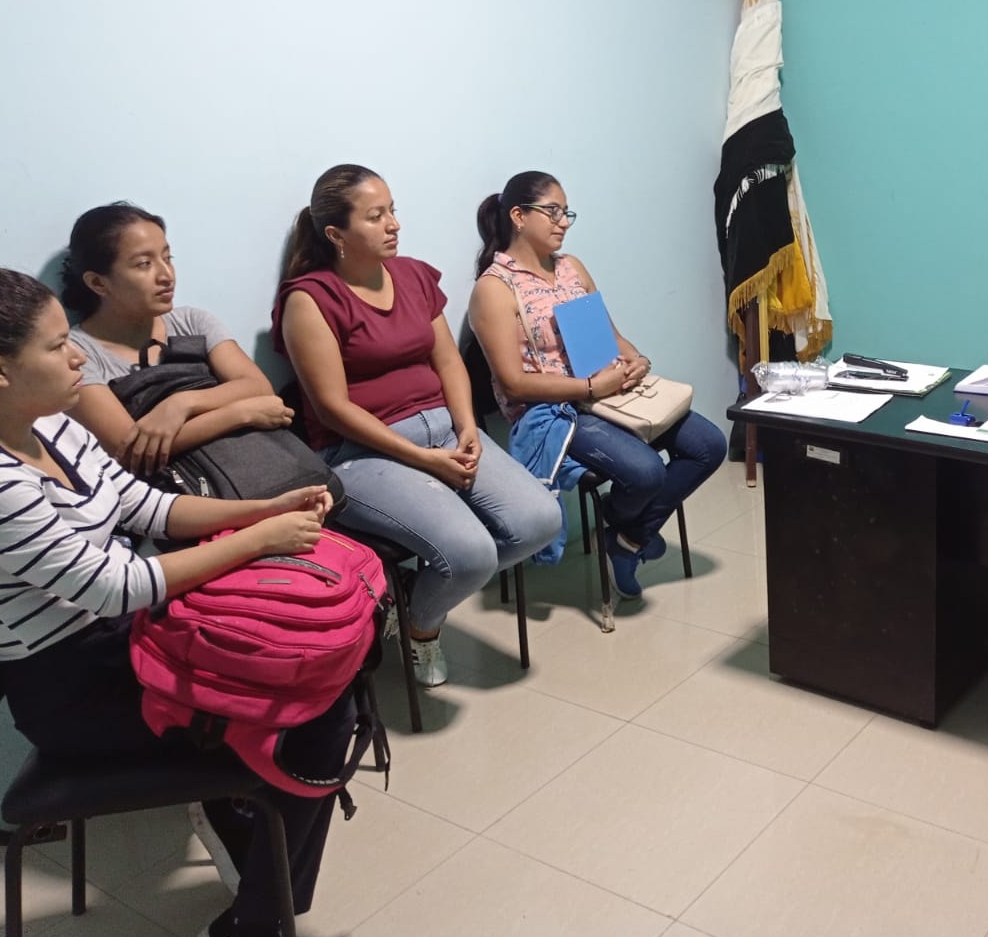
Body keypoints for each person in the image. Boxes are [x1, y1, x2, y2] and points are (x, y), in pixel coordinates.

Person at [0, 257, 351, 937]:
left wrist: (264, 510)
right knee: (317, 707)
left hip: (127, 639)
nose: (76, 357)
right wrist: (259, 539)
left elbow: (144, 505)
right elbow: (113, 585)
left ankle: (241, 832)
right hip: (74, 691)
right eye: (56, 346)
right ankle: (255, 925)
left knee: (315, 659)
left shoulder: (50, 423)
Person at [273, 164, 561, 688]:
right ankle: (419, 627)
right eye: (375, 216)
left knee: (540, 520)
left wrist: (467, 427)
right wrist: (424, 459)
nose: (394, 225)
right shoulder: (309, 299)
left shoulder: (412, 276)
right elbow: (332, 407)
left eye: (392, 210)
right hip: (362, 452)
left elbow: (448, 361)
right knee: (470, 553)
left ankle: (411, 594)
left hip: (445, 431)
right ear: (336, 234)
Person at [467, 171, 727, 599]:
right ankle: (631, 533)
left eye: (566, 213)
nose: (563, 222)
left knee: (709, 445)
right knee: (645, 472)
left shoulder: (570, 267)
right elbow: (513, 384)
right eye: (552, 211)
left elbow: (611, 337)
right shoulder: (495, 289)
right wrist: (590, 389)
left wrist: (637, 360)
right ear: (518, 216)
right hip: (556, 412)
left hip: (609, 394)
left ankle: (626, 537)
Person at [62, 202, 295, 474]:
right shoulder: (76, 352)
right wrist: (241, 413)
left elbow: (258, 387)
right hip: (173, 489)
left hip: (252, 465)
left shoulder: (192, 321)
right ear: (98, 283)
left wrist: (181, 404)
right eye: (144, 264)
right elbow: (128, 448)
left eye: (167, 258)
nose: (166, 275)